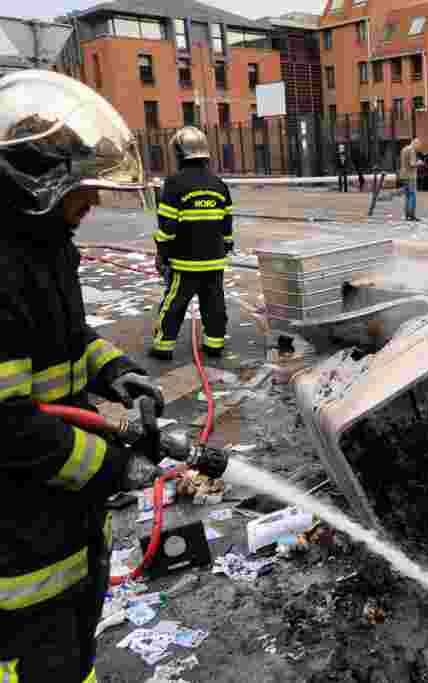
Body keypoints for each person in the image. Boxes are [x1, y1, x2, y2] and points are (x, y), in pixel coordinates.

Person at [0, 70, 165, 682]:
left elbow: (66, 340)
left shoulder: (44, 246)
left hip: (55, 507)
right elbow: (7, 427)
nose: (92, 203)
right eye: (83, 188)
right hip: (15, 536)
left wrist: (117, 372)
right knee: (36, 660)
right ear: (37, 180)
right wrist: (115, 467)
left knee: (72, 650)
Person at [151, 127, 233, 361]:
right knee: (214, 304)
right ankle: (214, 344)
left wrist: (162, 256)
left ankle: (163, 347)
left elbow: (167, 228)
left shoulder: (174, 184)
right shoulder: (219, 185)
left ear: (178, 154)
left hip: (185, 262)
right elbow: (227, 225)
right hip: (214, 261)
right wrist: (224, 247)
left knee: (174, 304)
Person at [398, 138, 423, 221]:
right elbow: (412, 164)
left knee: (407, 196)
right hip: (410, 176)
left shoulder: (404, 149)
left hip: (403, 175)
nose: (418, 148)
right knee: (412, 195)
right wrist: (419, 163)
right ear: (415, 143)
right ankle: (412, 215)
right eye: (418, 145)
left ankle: (407, 215)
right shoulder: (412, 150)